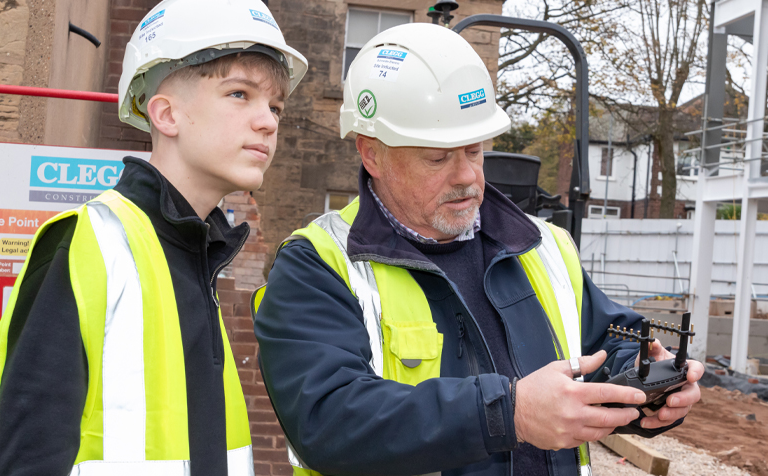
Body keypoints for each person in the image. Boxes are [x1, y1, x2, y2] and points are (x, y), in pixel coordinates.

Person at [252, 23, 703, 476]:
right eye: (438, 157)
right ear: (372, 154)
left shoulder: (542, 246)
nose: (466, 175)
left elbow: (607, 344)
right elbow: (328, 424)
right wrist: (508, 414)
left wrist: (647, 384)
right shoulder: (318, 264)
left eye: (474, 150)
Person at [0, 0, 306, 476]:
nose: (267, 122)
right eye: (240, 94)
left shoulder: (198, 255)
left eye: (275, 107)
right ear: (166, 114)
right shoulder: (85, 244)